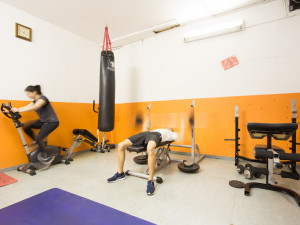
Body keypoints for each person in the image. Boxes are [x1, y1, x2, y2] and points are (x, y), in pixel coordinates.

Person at [107, 128, 177, 196]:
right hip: (147, 133)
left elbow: (175, 137)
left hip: (156, 135)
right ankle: (120, 174)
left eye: (170, 128)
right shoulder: (158, 129)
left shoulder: (171, 134)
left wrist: (171, 131)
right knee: (121, 145)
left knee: (150, 148)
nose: (169, 128)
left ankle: (150, 180)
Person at [10, 85, 59, 155]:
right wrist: (11, 111)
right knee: (26, 126)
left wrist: (17, 110)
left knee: (39, 139)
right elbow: (24, 108)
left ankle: (49, 154)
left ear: (34, 92)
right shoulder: (34, 101)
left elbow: (36, 107)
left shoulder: (43, 99)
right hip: (43, 121)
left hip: (52, 122)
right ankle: (36, 142)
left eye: (28, 94)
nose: (28, 96)